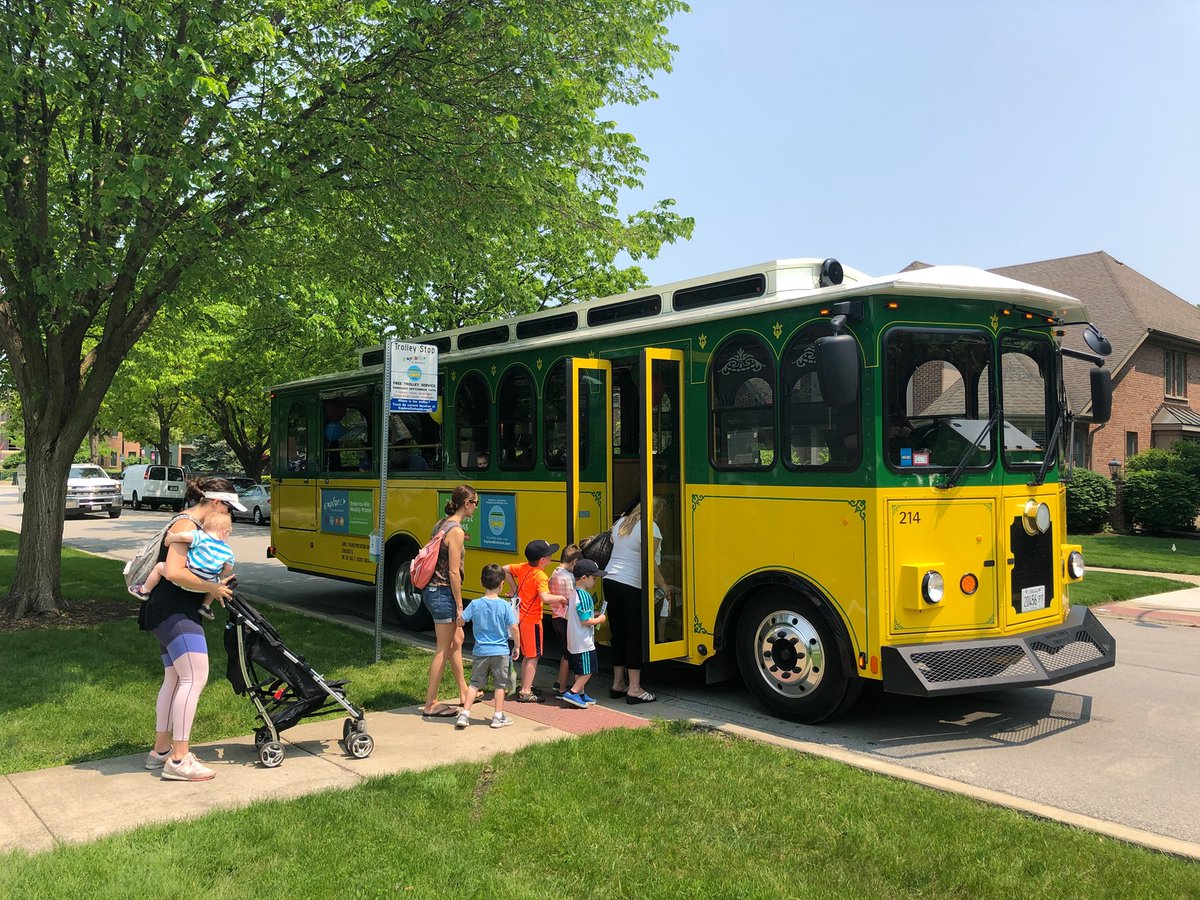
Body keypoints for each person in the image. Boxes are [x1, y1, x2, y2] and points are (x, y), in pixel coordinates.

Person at [138, 478, 244, 782]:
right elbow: (173, 572)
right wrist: (212, 587)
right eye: (228, 507)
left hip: (167, 611)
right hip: (174, 611)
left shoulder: (190, 526)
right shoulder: (187, 525)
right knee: (195, 676)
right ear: (215, 503)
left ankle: (160, 751)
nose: (230, 515)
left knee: (174, 678)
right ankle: (179, 758)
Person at [602, 497, 670, 705]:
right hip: (630, 584)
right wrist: (664, 585)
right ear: (657, 512)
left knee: (619, 634)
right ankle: (634, 688)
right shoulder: (651, 527)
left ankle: (617, 684)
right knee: (634, 636)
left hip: (609, 580)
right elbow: (649, 562)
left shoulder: (621, 523)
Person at [421, 485, 476, 718]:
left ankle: (464, 691)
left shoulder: (442, 524)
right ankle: (431, 703)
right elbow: (454, 573)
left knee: (458, 639)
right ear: (466, 504)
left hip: (432, 590)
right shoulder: (455, 531)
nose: (476, 507)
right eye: (475, 503)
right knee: (443, 649)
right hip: (443, 592)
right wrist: (460, 604)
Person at [135, 511, 236, 621]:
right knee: (217, 582)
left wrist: (170, 539)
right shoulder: (228, 551)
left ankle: (144, 590)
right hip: (206, 586)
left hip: (188, 575)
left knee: (160, 567)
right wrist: (219, 574)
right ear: (225, 532)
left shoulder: (201, 536)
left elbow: (183, 537)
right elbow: (228, 568)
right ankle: (205, 606)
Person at [455, 564, 520, 730]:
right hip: (501, 652)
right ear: (501, 585)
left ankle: (464, 714)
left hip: (481, 652)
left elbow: (461, 621)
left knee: (475, 683)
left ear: (481, 583)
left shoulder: (475, 604)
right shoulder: (505, 606)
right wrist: (517, 646)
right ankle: (498, 716)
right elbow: (513, 627)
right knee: (500, 685)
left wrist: (459, 618)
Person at [503, 539, 568, 703]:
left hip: (521, 620)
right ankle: (525, 691)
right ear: (542, 560)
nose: (551, 556)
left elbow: (504, 569)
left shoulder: (524, 567)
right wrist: (562, 598)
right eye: (549, 554)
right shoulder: (540, 576)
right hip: (532, 621)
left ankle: (526, 685)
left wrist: (513, 588)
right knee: (533, 657)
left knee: (527, 656)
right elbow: (545, 597)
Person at [562, 559, 607, 709]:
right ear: (584, 578)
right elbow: (585, 621)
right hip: (584, 641)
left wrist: (592, 614)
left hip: (574, 639)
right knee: (589, 670)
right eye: (594, 578)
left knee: (579, 670)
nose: (595, 581)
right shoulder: (586, 596)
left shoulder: (573, 593)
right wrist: (599, 618)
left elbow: (576, 614)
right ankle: (573, 692)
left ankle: (581, 694)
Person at [548, 544, 582, 699]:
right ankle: (562, 689)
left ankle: (558, 682)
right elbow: (571, 600)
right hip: (566, 618)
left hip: (555, 616)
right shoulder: (568, 578)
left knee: (565, 651)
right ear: (574, 561)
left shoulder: (553, 573)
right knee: (569, 654)